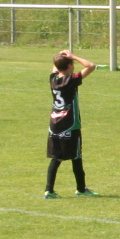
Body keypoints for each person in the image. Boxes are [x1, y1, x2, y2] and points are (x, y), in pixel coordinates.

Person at [45, 50, 97, 198]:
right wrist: (73, 56)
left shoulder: (53, 79)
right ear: (69, 66)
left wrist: (60, 57)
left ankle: (49, 190)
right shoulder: (70, 80)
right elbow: (91, 66)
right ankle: (81, 189)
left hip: (55, 125)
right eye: (72, 64)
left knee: (56, 158)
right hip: (70, 124)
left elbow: (56, 67)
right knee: (76, 156)